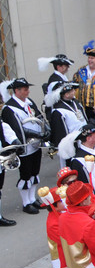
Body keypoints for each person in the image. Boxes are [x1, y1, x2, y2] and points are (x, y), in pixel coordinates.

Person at [3, 77, 46, 213]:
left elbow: (38, 117)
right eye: (25, 89)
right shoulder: (9, 108)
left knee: (34, 172)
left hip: (35, 145)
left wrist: (46, 130)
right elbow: (17, 129)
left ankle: (32, 199)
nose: (28, 91)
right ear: (17, 91)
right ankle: (26, 203)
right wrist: (36, 134)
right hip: (24, 146)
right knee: (26, 175)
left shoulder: (29, 102)